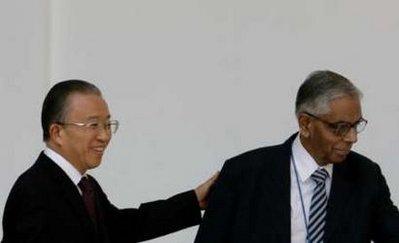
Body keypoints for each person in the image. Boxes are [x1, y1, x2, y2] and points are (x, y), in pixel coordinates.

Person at [194, 70, 399, 243]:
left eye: (356, 126)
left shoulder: (366, 175)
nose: (352, 138)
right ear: (305, 124)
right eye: (341, 128)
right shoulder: (243, 174)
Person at [2, 80, 218, 243]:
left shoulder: (86, 187)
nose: (104, 136)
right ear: (57, 132)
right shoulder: (34, 191)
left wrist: (194, 200)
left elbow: (123, 227)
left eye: (107, 125)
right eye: (93, 125)